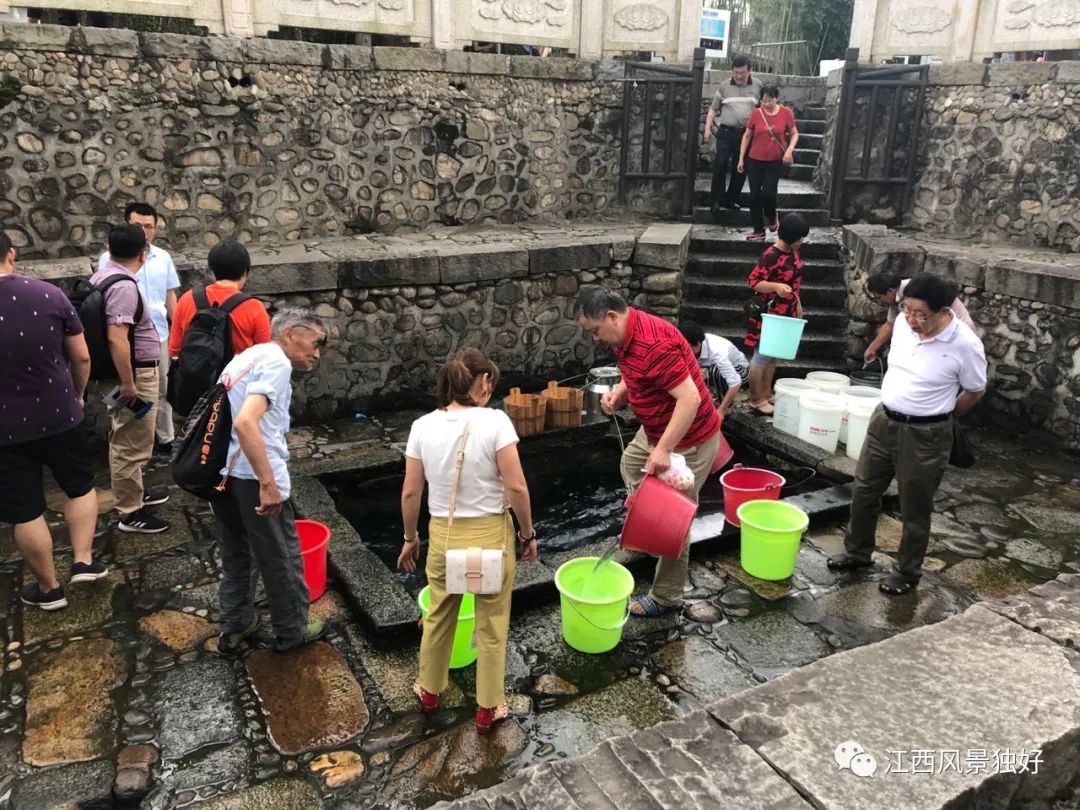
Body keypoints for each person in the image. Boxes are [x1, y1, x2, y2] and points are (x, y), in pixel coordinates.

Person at [397, 349, 536, 734]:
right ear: (483, 382)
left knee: (439, 615)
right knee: (492, 624)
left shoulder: (421, 426)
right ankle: (488, 708)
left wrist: (410, 538)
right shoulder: (496, 422)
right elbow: (516, 487)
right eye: (490, 380)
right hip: (490, 537)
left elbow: (411, 493)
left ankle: (429, 691)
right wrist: (527, 534)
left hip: (444, 536)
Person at [828, 273, 987, 595]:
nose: (912, 319)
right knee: (864, 490)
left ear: (944, 311)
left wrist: (942, 416)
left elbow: (974, 390)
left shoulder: (965, 344)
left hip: (925, 434)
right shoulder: (902, 323)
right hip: (884, 420)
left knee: (914, 505)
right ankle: (857, 552)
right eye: (907, 310)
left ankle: (907, 571)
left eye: (920, 314)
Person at [576, 289, 721, 618]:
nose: (595, 338)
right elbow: (635, 371)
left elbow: (690, 399)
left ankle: (667, 597)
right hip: (656, 428)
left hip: (689, 437)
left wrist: (665, 449)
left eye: (595, 330)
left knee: (674, 520)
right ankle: (647, 521)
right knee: (630, 463)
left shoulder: (654, 345)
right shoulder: (627, 333)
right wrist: (621, 393)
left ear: (612, 316)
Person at [212, 307, 330, 654]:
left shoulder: (247, 357)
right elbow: (245, 422)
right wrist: (268, 483)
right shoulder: (277, 362)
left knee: (237, 555)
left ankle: (235, 625)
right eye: (316, 343)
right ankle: (293, 630)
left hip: (224, 475)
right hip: (253, 477)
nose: (317, 353)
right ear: (291, 333)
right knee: (282, 557)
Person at [0, 233, 108, 610]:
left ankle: (49, 589)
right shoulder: (49, 295)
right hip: (60, 414)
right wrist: (77, 395)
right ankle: (83, 560)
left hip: (4, 430)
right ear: (11, 253)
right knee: (79, 486)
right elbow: (81, 357)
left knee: (25, 510)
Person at [91, 224, 171, 534]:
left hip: (122, 374)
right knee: (130, 440)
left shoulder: (102, 276)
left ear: (109, 250)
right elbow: (117, 337)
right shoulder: (123, 286)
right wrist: (128, 383)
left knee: (127, 432)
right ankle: (130, 512)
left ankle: (133, 491)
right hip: (133, 376)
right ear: (143, 254)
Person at [100, 203, 179, 455]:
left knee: (163, 390)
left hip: (157, 335)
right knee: (120, 390)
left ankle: (165, 438)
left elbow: (170, 295)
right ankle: (120, 437)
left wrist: (178, 330)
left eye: (148, 226)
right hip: (122, 335)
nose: (144, 231)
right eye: (137, 226)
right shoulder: (108, 259)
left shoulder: (163, 257)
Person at [744, 213, 810, 415]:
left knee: (773, 355)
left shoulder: (793, 251)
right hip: (769, 313)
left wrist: (796, 305)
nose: (802, 241)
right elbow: (754, 282)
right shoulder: (771, 255)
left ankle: (766, 393)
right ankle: (755, 398)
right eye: (799, 238)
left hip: (785, 312)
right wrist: (776, 286)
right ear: (790, 237)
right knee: (761, 356)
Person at [169, 241, 270, 360]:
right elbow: (266, 354)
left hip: (195, 370)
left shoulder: (187, 299)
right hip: (238, 371)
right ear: (244, 272)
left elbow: (175, 350)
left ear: (212, 270)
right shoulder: (253, 307)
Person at [862, 270, 976, 364]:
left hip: (956, 335)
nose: (880, 302)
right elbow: (890, 325)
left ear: (890, 291)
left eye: (879, 297)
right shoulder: (898, 299)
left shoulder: (916, 291)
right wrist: (872, 348)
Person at [737, 85, 799, 240]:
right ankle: (758, 230)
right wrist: (741, 158)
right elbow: (747, 136)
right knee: (754, 196)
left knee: (768, 193)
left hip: (775, 161)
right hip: (754, 160)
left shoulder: (785, 112)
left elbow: (794, 133)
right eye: (763, 100)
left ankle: (772, 216)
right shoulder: (756, 113)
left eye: (769, 100)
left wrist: (790, 150)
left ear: (776, 98)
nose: (765, 104)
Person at [703, 56, 760, 216]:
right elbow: (713, 110)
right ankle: (716, 200)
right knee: (720, 164)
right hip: (726, 132)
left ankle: (730, 199)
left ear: (749, 71)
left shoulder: (758, 85)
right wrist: (707, 129)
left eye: (742, 72)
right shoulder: (724, 86)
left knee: (740, 168)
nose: (739, 76)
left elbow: (762, 109)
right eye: (736, 72)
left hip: (746, 134)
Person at [679, 321, 749, 418]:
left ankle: (723, 406)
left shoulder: (717, 351)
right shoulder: (687, 346)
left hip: (741, 371)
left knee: (716, 371)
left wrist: (722, 411)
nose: (686, 350)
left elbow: (735, 382)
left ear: (697, 343)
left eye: (689, 347)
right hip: (712, 368)